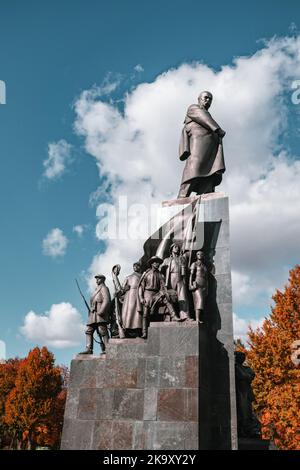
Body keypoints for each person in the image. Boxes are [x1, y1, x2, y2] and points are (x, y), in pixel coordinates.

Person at [178, 91, 226, 198]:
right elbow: (203, 118)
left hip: (211, 148)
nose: (208, 100)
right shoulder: (194, 108)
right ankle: (182, 196)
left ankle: (205, 194)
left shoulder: (207, 114)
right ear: (199, 99)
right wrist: (217, 129)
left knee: (211, 172)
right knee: (194, 167)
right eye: (206, 97)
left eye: (210, 99)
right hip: (198, 143)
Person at [138, 256, 180, 339]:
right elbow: (141, 287)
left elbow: (163, 286)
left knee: (166, 300)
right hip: (148, 293)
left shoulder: (160, 274)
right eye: (156, 262)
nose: (157, 264)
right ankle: (144, 332)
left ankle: (174, 316)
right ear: (152, 263)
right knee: (146, 314)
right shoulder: (146, 273)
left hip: (157, 293)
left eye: (158, 263)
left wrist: (162, 292)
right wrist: (141, 298)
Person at [79, 274, 111, 355]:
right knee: (88, 331)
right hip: (93, 313)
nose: (96, 280)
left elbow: (107, 301)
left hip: (100, 312)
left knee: (102, 330)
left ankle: (108, 349)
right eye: (96, 279)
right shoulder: (96, 289)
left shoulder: (104, 288)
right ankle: (89, 349)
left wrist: (101, 311)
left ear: (103, 279)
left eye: (98, 279)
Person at [161, 243, 191, 321]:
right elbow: (161, 270)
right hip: (171, 278)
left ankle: (185, 316)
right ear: (171, 249)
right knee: (170, 297)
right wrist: (162, 268)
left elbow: (186, 269)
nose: (177, 248)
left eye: (178, 247)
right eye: (175, 247)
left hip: (180, 278)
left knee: (183, 297)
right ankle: (170, 316)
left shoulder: (182, 258)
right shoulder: (167, 260)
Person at [121, 262, 143, 335]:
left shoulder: (142, 276)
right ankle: (127, 329)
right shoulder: (128, 277)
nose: (136, 267)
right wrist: (125, 288)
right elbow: (122, 289)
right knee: (128, 312)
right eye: (134, 266)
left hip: (138, 294)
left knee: (137, 313)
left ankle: (138, 329)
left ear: (140, 267)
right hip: (129, 296)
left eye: (137, 266)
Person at [189, 251, 208, 323]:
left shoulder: (204, 266)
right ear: (196, 256)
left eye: (201, 254)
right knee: (199, 301)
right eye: (198, 254)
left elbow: (206, 278)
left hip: (204, 285)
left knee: (202, 302)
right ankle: (197, 318)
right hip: (197, 284)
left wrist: (207, 288)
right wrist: (190, 284)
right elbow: (191, 275)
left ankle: (199, 318)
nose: (200, 255)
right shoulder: (194, 264)